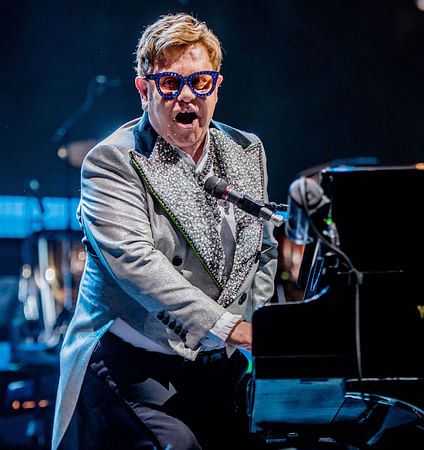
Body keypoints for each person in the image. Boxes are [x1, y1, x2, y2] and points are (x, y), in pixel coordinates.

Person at [51, 13, 278, 450]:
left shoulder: (248, 151)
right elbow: (138, 265)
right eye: (170, 84)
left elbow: (263, 252)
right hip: (131, 371)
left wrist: (257, 328)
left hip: (220, 367)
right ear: (144, 90)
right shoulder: (111, 163)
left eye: (200, 82)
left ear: (217, 86)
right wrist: (233, 329)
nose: (186, 96)